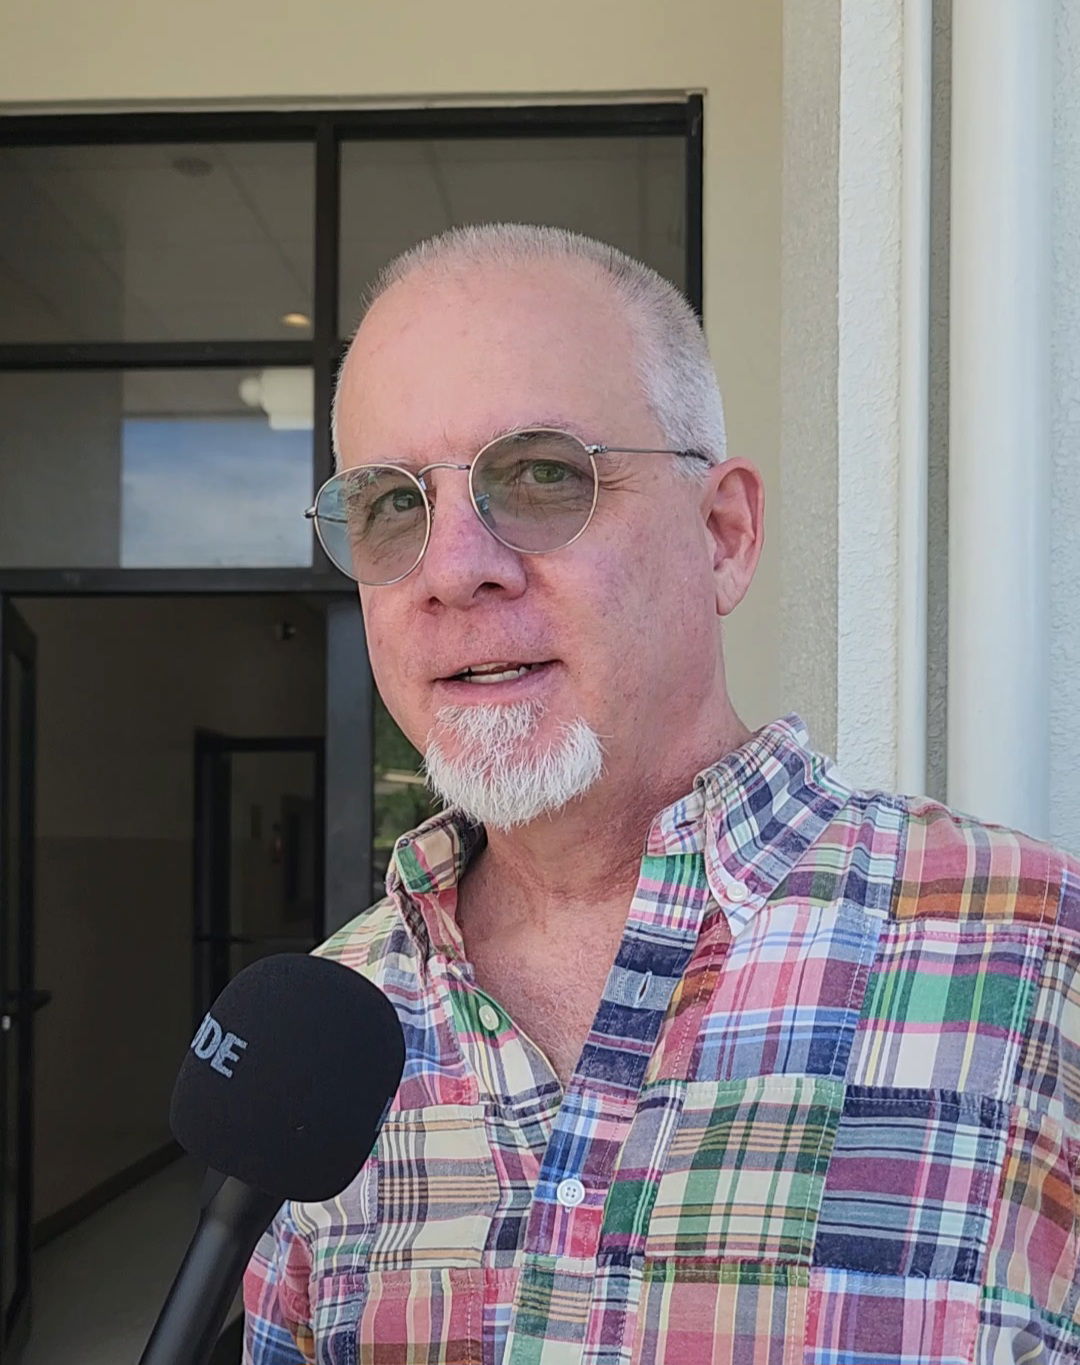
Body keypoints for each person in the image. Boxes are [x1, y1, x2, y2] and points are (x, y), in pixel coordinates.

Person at [244, 225, 1080, 1365]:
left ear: (724, 535)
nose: (451, 569)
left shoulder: (1040, 958)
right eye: (392, 506)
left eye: (540, 475)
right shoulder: (330, 1032)